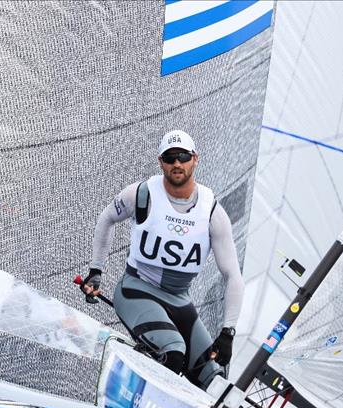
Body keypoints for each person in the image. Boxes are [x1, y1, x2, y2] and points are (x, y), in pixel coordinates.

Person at [81, 130, 244, 389]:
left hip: (179, 300)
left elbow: (233, 276)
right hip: (136, 291)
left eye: (183, 156)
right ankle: (134, 401)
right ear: (161, 162)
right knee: (173, 352)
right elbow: (106, 219)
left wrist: (228, 332)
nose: (176, 163)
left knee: (213, 379)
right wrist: (96, 270)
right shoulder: (141, 194)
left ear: (195, 159)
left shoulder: (212, 211)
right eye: (169, 158)